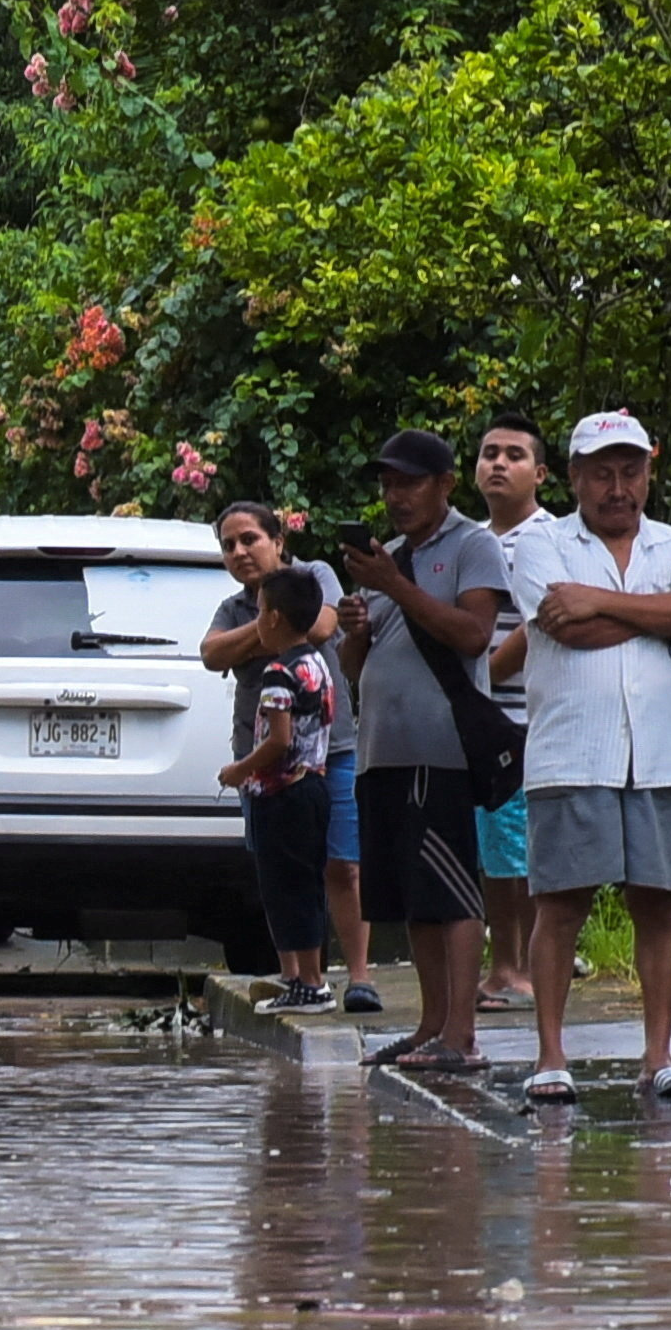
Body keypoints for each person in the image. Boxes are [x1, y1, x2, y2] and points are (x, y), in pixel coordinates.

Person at [498, 411, 671, 1098]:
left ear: (649, 473)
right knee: (559, 905)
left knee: (657, 904)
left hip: (661, 752)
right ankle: (551, 1057)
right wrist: (663, 621)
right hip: (572, 750)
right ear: (573, 478)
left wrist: (600, 602)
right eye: (602, 473)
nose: (618, 487)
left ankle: (659, 1055)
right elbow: (567, 632)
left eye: (631, 471)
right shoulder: (540, 546)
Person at [328, 427, 513, 1074]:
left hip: (441, 751)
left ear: (444, 484)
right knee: (412, 896)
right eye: (387, 483)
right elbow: (356, 666)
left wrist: (394, 585)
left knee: (451, 892)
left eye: (408, 482)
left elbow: (472, 634)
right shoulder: (389, 558)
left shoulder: (472, 544)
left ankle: (461, 1035)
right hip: (383, 749)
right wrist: (355, 626)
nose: (395, 495)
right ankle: (430, 1025)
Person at [214, 565, 345, 1009]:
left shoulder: (277, 674)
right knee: (307, 884)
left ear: (271, 618)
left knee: (284, 889)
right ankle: (309, 979)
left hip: (282, 793)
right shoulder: (317, 664)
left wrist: (240, 769)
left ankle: (309, 983)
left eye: (262, 610)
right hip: (316, 786)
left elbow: (279, 740)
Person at [467, 414, 549, 1004]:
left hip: (525, 716)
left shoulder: (547, 539)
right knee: (496, 844)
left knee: (517, 847)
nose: (498, 463)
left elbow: (534, 621)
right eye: (489, 453)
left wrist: (479, 680)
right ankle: (517, 962)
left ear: (540, 473)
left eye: (513, 455)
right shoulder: (471, 540)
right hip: (478, 718)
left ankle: (515, 967)